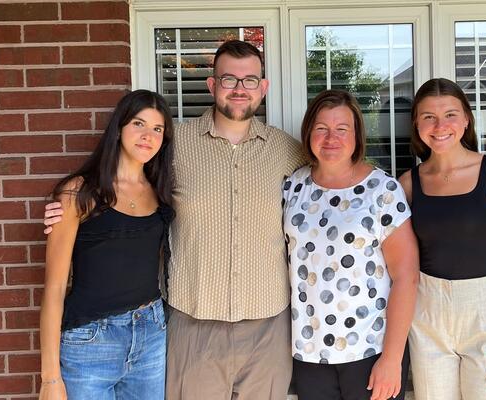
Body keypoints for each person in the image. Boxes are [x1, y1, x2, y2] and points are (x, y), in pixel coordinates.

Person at [44, 40, 305, 400]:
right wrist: (68, 207)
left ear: (263, 87)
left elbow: (334, 172)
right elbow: (122, 179)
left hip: (267, 326)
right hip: (192, 325)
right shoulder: (172, 143)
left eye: (249, 80)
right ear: (212, 85)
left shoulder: (287, 149)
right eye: (229, 79)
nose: (239, 89)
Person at [399, 78, 486, 400]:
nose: (440, 125)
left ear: (466, 119)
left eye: (450, 114)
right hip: (427, 313)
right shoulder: (408, 184)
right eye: (428, 116)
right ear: (417, 124)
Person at [283, 89, 419, 400]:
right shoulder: (293, 187)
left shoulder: (382, 190)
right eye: (321, 128)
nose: (331, 138)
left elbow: (407, 276)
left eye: (342, 129)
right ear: (308, 133)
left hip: (370, 350)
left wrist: (392, 358)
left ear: (357, 134)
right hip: (309, 353)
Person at [39, 90, 175, 400]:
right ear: (119, 129)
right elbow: (55, 288)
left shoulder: (160, 191)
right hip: (90, 341)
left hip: (150, 334)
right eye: (139, 124)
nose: (148, 136)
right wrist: (50, 378)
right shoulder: (80, 193)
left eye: (157, 129)